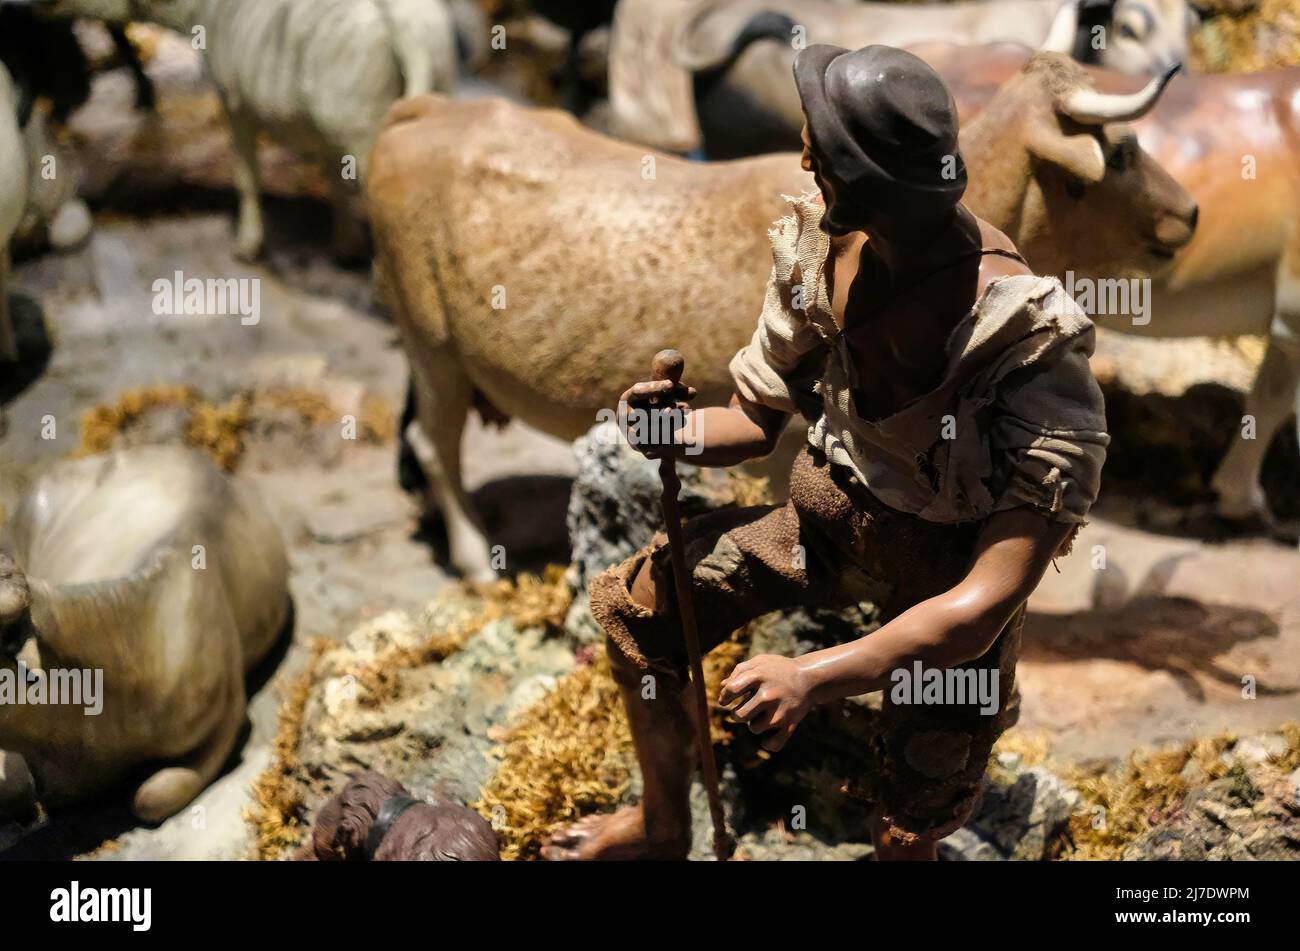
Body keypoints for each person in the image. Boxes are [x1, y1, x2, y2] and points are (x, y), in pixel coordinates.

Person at [543, 44, 1108, 861]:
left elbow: (984, 604)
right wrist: (671, 432)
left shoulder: (1025, 347)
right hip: (825, 524)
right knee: (642, 614)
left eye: (822, 152)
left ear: (867, 186)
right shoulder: (821, 253)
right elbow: (751, 415)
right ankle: (663, 824)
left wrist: (814, 674)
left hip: (943, 586)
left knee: (910, 816)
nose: (804, 160)